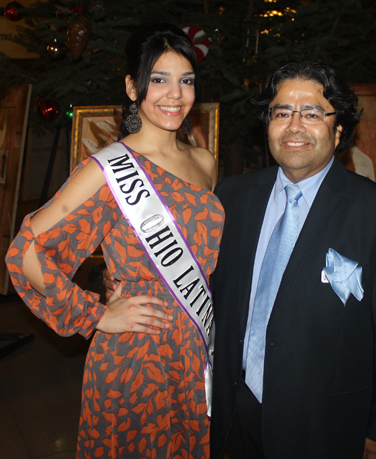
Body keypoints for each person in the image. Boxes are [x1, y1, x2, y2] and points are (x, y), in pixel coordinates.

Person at [6, 23, 223, 459]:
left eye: (186, 81)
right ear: (132, 86)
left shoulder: (205, 161)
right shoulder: (105, 171)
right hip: (136, 353)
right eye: (158, 79)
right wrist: (95, 316)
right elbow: (25, 249)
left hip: (195, 347)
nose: (175, 95)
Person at [209, 58, 376, 459]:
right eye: (282, 113)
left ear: (339, 129)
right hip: (235, 415)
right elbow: (207, 286)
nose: (294, 126)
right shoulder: (232, 197)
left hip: (325, 424)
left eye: (312, 113)